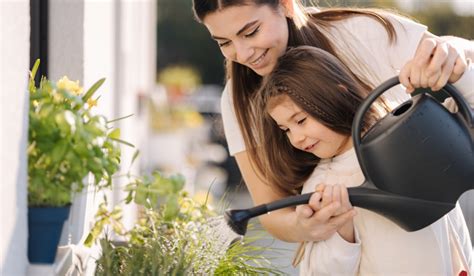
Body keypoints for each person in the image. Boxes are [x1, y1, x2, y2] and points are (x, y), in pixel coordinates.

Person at [192, 0, 474, 244]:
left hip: (428, 232)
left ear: (286, 5)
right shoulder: (237, 101)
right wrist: (303, 227)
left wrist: (451, 50)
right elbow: (274, 213)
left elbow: (458, 53)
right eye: (225, 43)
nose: (242, 54)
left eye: (251, 32)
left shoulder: (359, 31)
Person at [255, 45, 473, 275]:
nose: (296, 139)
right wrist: (341, 233)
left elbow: (467, 119)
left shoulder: (406, 133)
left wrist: (460, 75)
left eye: (300, 121)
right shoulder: (322, 186)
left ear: (336, 94)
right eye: (285, 129)